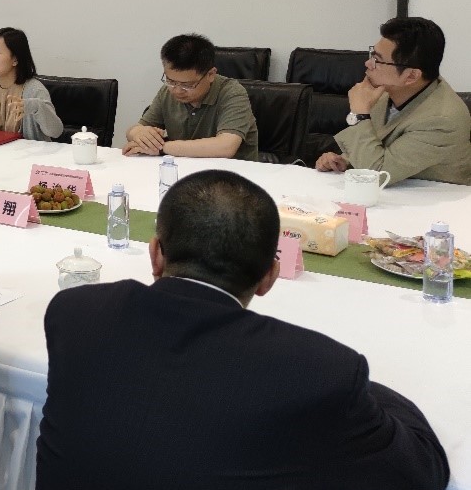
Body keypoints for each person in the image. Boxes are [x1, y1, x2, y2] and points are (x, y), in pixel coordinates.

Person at [35, 169, 449, 490]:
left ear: (156, 254)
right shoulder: (317, 372)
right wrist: (360, 389)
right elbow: (420, 471)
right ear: (270, 276)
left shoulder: (74, 312)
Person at [316, 17, 471, 185]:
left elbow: (378, 175)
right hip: (395, 192)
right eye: (372, 54)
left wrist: (359, 115)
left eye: (378, 60)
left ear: (411, 76)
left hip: (435, 198)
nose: (368, 63)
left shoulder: (442, 120)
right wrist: (345, 161)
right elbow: (377, 145)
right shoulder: (387, 90)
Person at [123, 33, 259, 160]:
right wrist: (138, 134)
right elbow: (137, 129)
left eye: (187, 85)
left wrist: (161, 147)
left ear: (210, 75)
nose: (177, 91)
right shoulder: (167, 91)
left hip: (232, 173)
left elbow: (226, 146)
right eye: (170, 81)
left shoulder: (232, 93)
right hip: (185, 169)